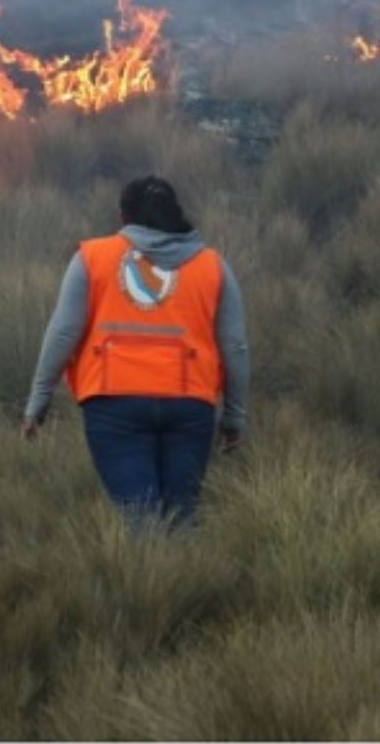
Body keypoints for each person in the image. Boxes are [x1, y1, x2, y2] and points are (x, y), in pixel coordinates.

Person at [21, 175, 250, 528]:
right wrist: (234, 416)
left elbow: (65, 330)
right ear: (176, 215)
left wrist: (39, 397)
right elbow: (234, 345)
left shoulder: (92, 257)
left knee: (139, 516)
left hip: (114, 402)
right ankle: (186, 579)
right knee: (181, 516)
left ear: (123, 218)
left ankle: (148, 579)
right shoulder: (213, 266)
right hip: (189, 403)